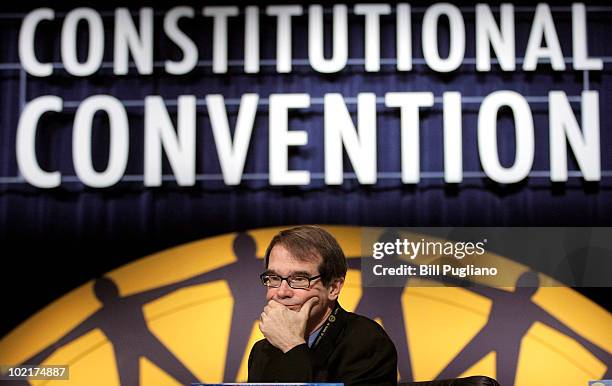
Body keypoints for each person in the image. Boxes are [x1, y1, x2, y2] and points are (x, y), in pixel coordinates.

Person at [247, 225, 398, 385]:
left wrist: (291, 345)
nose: (282, 292)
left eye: (299, 279)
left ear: (333, 288)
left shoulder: (368, 343)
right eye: (274, 278)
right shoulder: (261, 352)